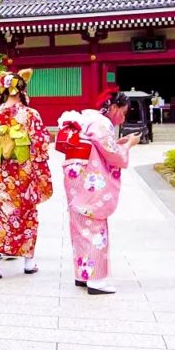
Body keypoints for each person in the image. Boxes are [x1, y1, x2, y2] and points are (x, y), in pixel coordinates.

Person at [56, 88, 140, 295]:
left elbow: (101, 148)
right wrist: (129, 144)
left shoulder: (88, 119)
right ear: (113, 107)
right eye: (123, 111)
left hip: (76, 181)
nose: (123, 116)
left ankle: (82, 274)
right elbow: (114, 155)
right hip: (89, 185)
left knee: (80, 229)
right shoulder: (101, 123)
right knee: (95, 230)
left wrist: (120, 143)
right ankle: (97, 280)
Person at [0, 69, 53, 278]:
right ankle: (22, 260)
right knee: (28, 215)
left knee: (5, 215)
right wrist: (40, 173)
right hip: (25, 173)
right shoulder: (31, 115)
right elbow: (40, 144)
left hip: (4, 174)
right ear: (22, 90)